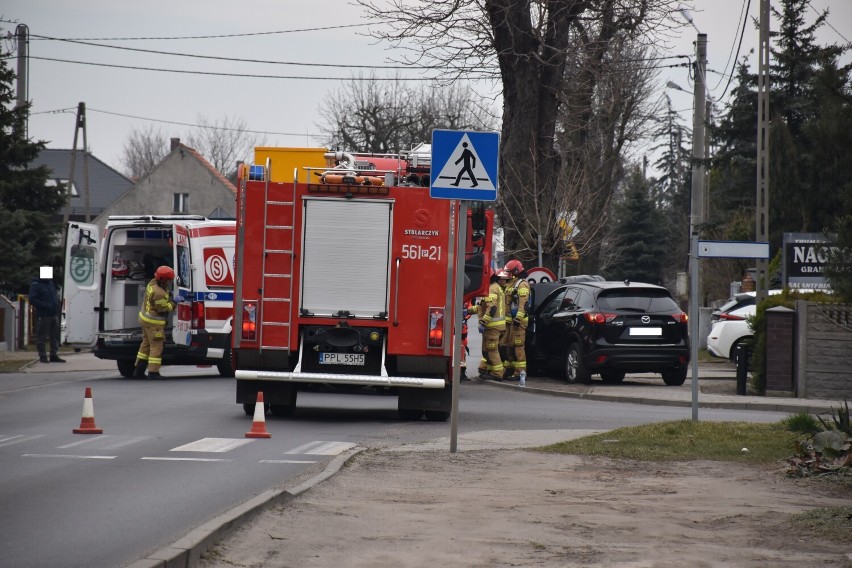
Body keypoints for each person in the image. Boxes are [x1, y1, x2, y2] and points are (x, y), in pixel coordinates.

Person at [134, 265, 178, 379]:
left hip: (145, 320)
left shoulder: (152, 284)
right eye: (168, 280)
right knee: (156, 347)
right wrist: (174, 302)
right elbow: (164, 308)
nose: (169, 282)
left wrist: (169, 295)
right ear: (163, 279)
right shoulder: (159, 293)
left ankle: (139, 370)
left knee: (145, 345)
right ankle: (153, 372)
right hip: (154, 324)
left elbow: (162, 295)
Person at [472, 269, 506, 381]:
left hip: (492, 326)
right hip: (495, 326)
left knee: (492, 349)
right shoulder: (494, 287)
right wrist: (469, 310)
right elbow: (483, 306)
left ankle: (497, 373)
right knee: (487, 349)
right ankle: (487, 369)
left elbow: (492, 308)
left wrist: (483, 322)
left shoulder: (491, 289)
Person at [500, 259, 530, 381]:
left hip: (518, 322)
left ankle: (520, 373)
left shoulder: (522, 284)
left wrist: (518, 318)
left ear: (516, 271)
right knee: (509, 346)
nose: (508, 274)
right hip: (510, 322)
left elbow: (523, 303)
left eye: (510, 272)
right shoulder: (511, 284)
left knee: (518, 347)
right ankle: (509, 370)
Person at [29, 266, 65, 364]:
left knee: (55, 336)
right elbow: (32, 299)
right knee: (42, 336)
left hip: (53, 313)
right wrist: (45, 305)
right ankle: (42, 356)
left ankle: (54, 355)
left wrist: (56, 305)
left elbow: (55, 295)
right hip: (44, 314)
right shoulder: (36, 284)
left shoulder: (50, 283)